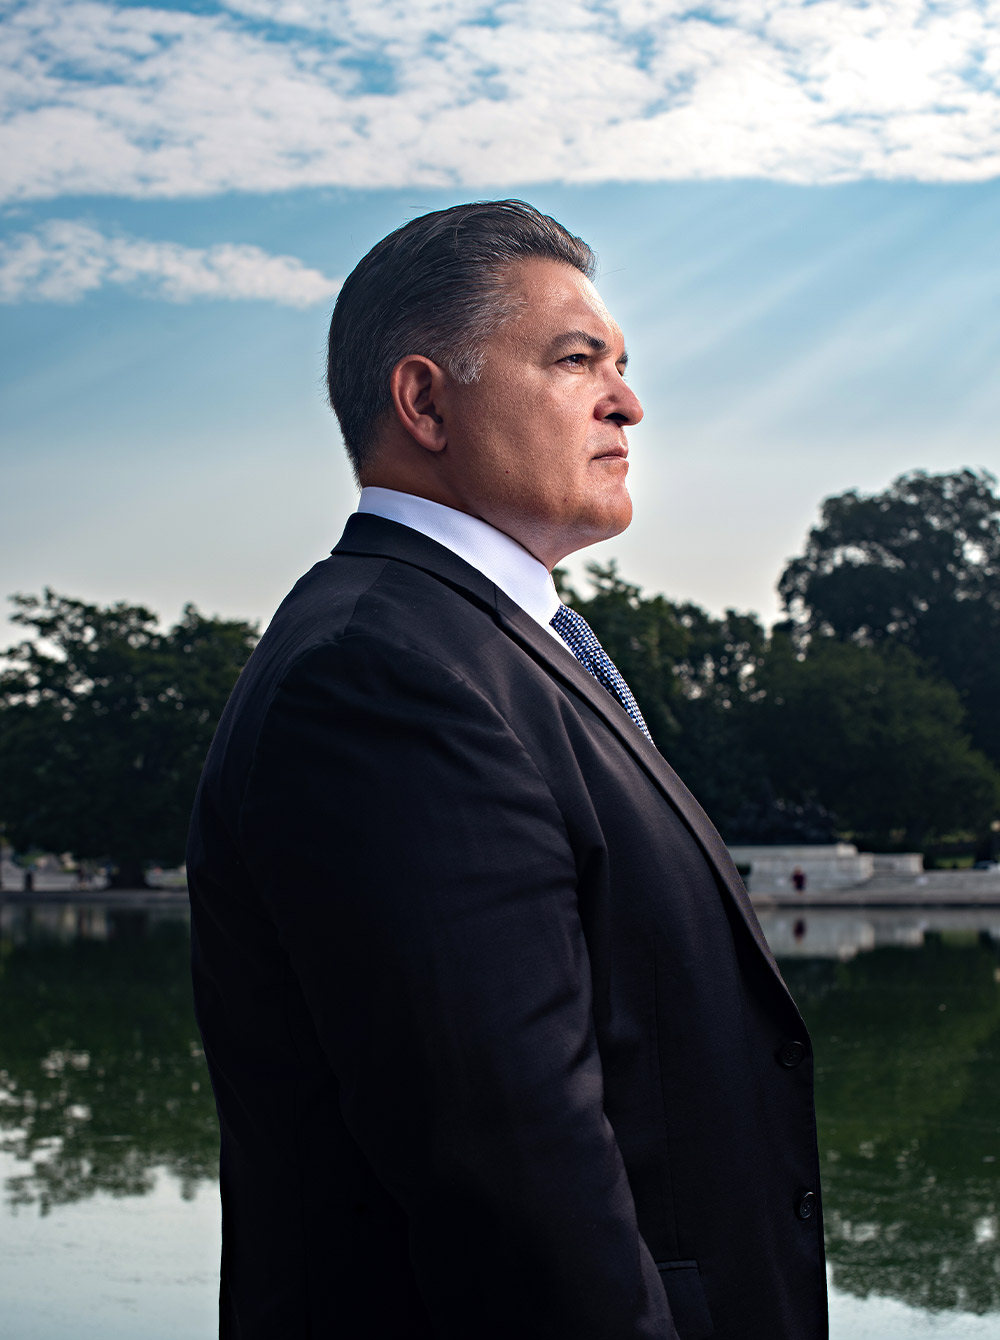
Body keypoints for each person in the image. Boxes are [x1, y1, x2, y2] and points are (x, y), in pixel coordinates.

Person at [187, 200, 828, 1340]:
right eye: (576, 359)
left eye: (622, 363)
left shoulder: (480, 644)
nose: (628, 400)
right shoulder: (382, 674)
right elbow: (516, 1187)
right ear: (425, 400)